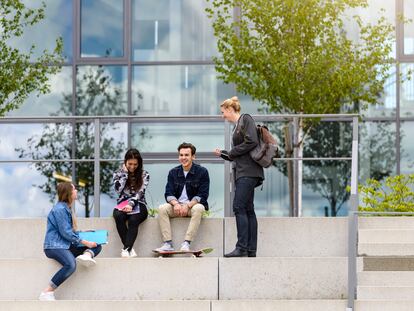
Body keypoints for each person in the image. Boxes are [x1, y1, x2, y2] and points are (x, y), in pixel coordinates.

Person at [214, 96, 264, 257]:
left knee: (238, 207)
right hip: (244, 172)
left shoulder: (245, 119)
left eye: (223, 112)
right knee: (248, 209)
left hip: (248, 173)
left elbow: (252, 142)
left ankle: (242, 247)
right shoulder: (237, 126)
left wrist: (231, 152)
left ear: (230, 110)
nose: (223, 116)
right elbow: (237, 154)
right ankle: (251, 249)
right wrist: (223, 154)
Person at [39, 182, 102, 301]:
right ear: (68, 193)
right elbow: (65, 233)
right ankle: (47, 292)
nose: (76, 191)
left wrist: (85, 234)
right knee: (71, 264)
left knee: (97, 244)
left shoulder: (66, 208)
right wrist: (84, 242)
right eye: (74, 189)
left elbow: (69, 232)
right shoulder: (60, 209)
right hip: (54, 246)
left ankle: (87, 255)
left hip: (66, 245)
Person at [156, 142, 210, 252]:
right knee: (162, 208)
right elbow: (168, 193)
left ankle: (186, 243)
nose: (183, 158)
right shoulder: (173, 172)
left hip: (192, 207)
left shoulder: (202, 172)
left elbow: (203, 195)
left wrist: (188, 205)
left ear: (193, 156)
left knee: (199, 208)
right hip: (177, 207)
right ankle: (167, 244)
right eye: (181, 155)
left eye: (186, 155)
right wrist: (176, 204)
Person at [113, 148, 149, 258]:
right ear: (125, 162)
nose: (132, 167)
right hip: (122, 204)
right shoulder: (118, 173)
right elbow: (118, 190)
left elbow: (140, 192)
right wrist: (124, 174)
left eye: (135, 164)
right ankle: (129, 248)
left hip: (139, 203)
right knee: (118, 216)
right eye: (130, 164)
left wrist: (131, 204)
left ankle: (126, 249)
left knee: (134, 219)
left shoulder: (145, 174)